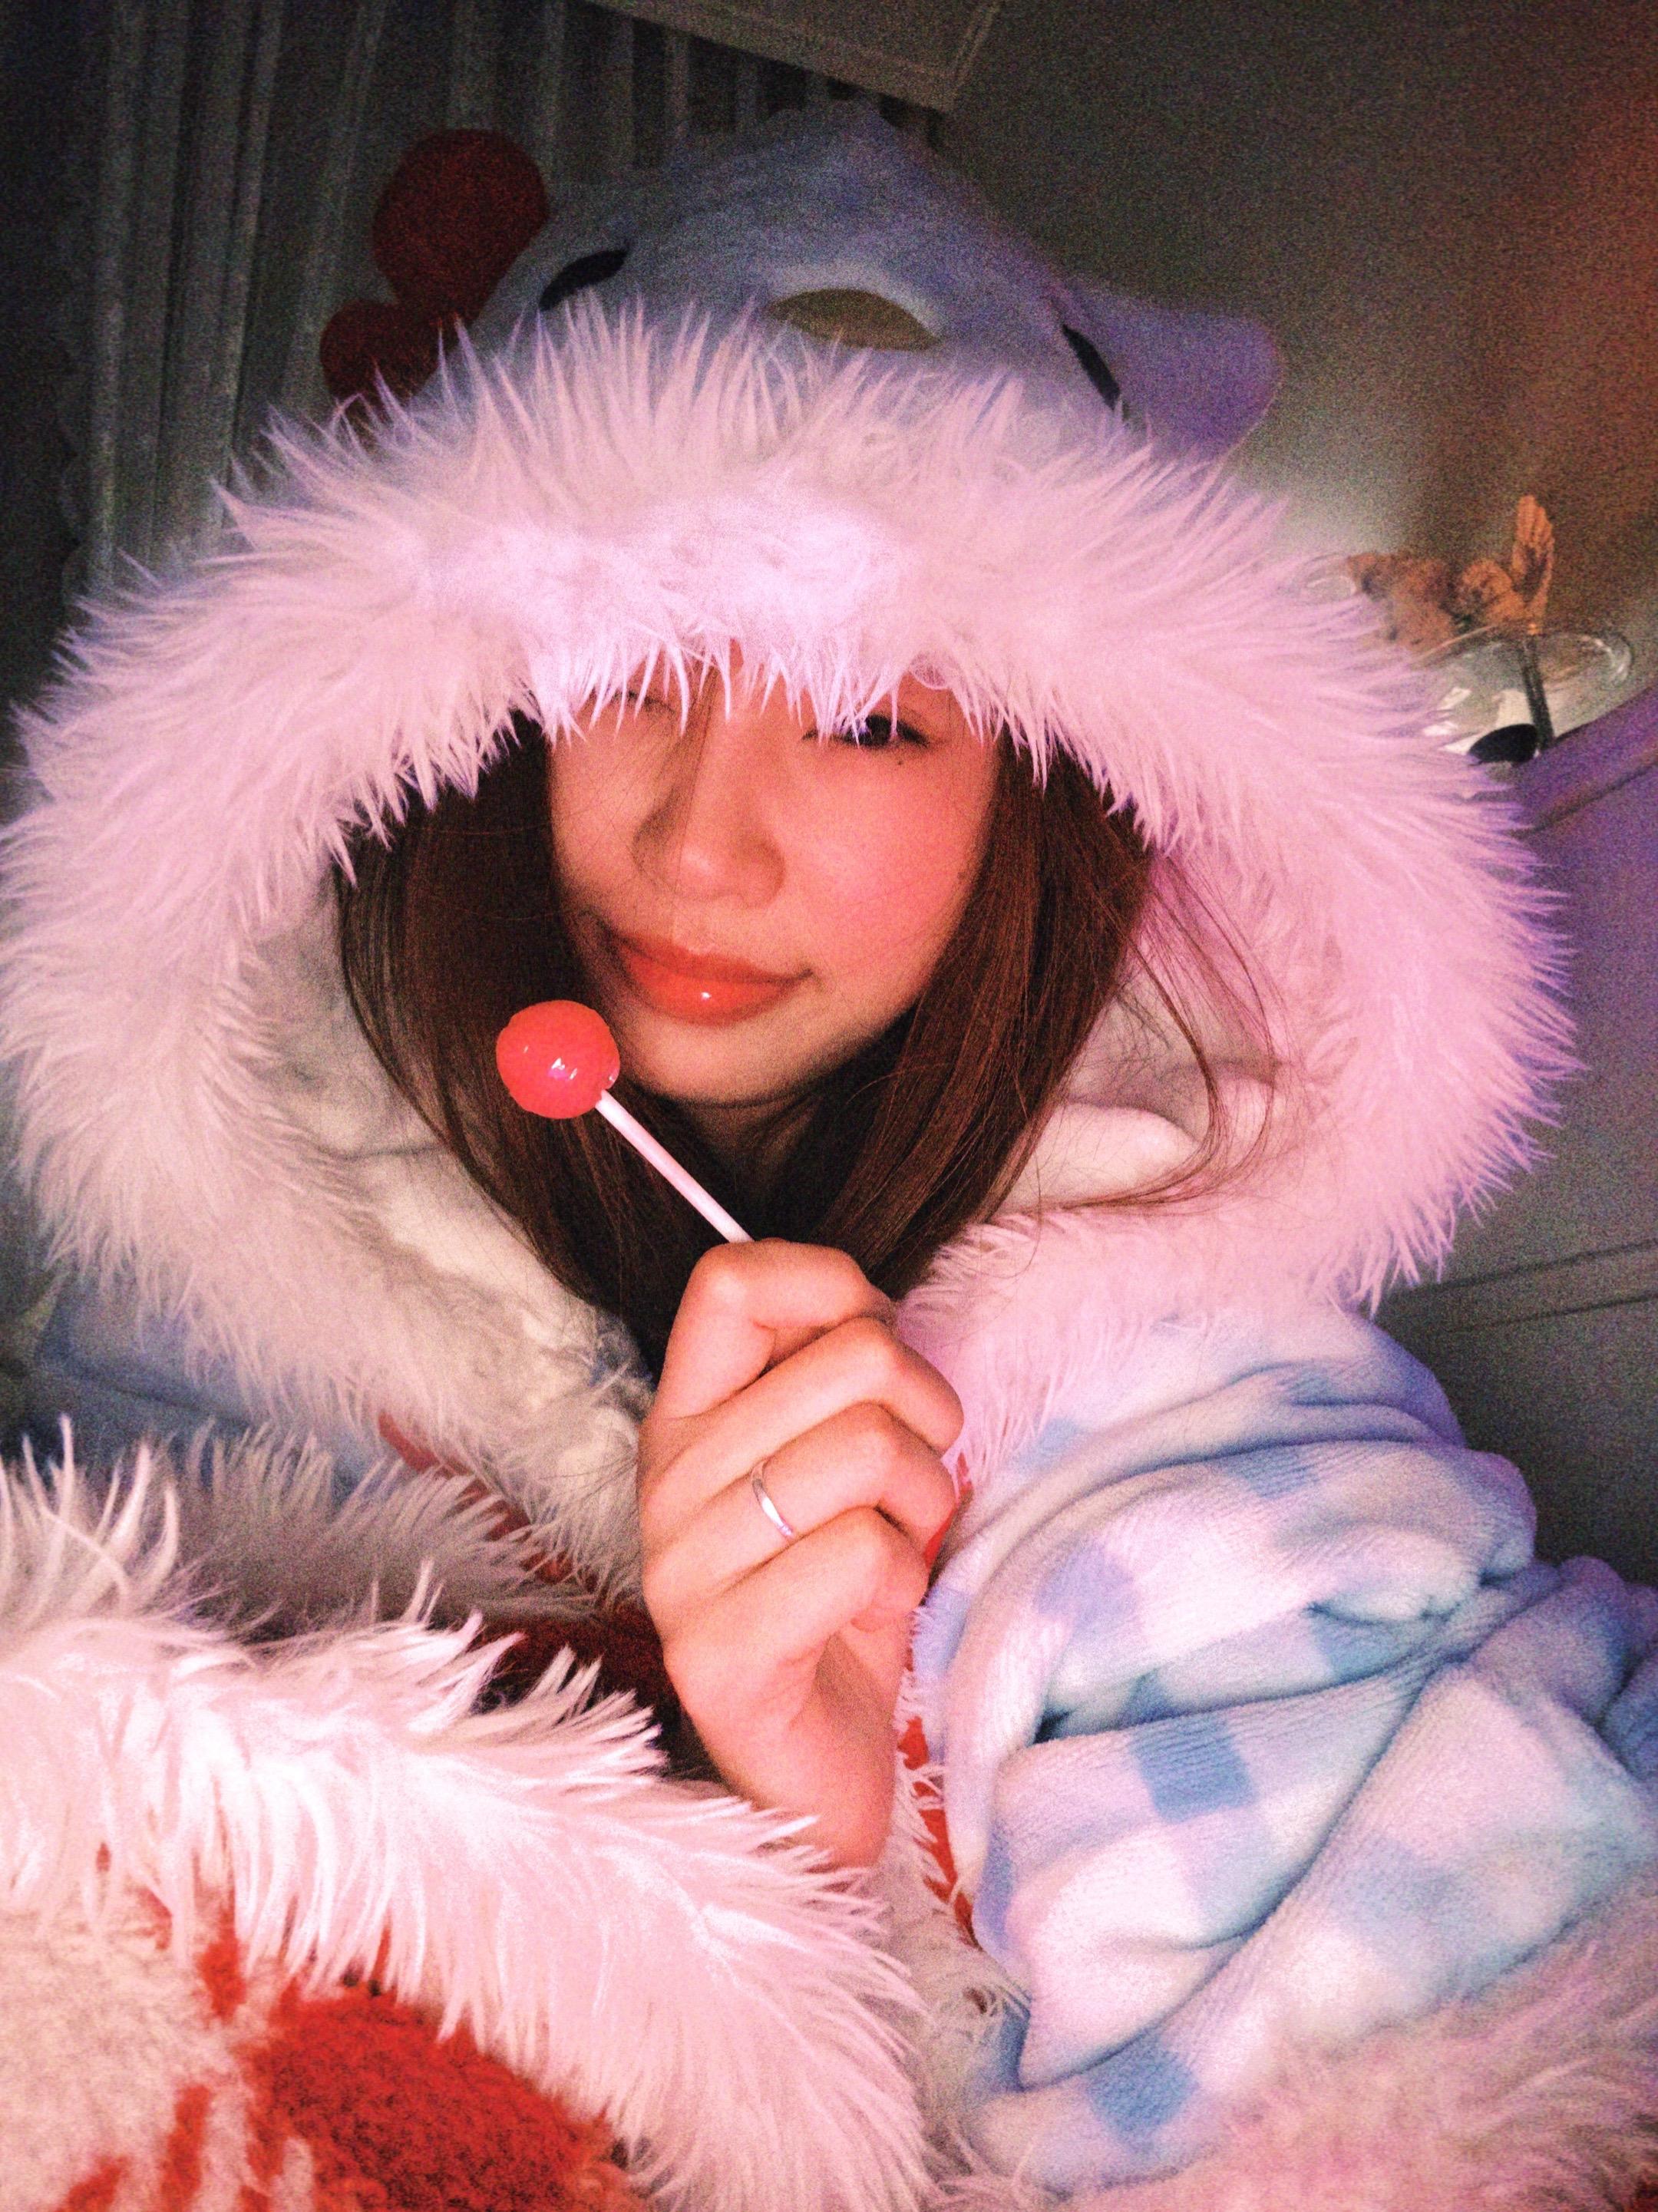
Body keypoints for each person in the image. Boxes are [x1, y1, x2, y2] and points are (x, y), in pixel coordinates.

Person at [2, 105, 1656, 2211]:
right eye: (629, 675)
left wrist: (820, 1847)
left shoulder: (1204, 1405)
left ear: (1048, 776)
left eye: (870, 714)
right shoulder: (237, 1246)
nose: (700, 847)